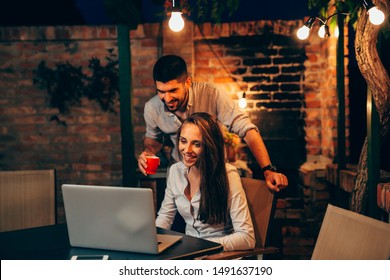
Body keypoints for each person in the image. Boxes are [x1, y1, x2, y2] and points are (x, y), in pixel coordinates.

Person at [138, 54, 288, 192]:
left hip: (215, 179)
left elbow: (247, 129)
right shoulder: (152, 108)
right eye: (161, 92)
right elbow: (154, 139)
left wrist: (267, 170)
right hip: (179, 182)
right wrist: (148, 152)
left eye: (173, 90)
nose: (167, 98)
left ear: (188, 82)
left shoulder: (212, 94)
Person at [155, 112, 255, 251]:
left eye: (197, 144)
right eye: (183, 141)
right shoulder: (175, 171)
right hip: (189, 253)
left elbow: (246, 238)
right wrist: (153, 241)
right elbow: (165, 216)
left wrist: (202, 247)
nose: (187, 150)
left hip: (219, 256)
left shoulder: (228, 175)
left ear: (209, 146)